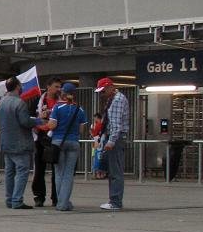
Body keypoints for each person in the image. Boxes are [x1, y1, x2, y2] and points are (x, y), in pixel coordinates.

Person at [0, 76, 41, 209]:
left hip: (6, 142)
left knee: (10, 172)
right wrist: (38, 121)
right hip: (20, 143)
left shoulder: (2, 102)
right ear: (17, 86)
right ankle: (17, 200)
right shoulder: (19, 103)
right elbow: (25, 122)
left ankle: (9, 199)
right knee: (22, 171)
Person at [46, 83, 87, 211]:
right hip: (73, 142)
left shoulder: (57, 107)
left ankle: (62, 203)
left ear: (63, 93)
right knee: (69, 174)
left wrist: (46, 122)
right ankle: (65, 202)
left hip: (58, 142)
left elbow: (52, 125)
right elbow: (81, 129)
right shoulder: (80, 109)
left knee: (59, 173)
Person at [96, 78, 130, 210]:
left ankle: (115, 202)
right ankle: (114, 200)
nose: (102, 94)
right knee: (112, 170)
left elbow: (116, 124)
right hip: (114, 137)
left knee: (115, 171)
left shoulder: (117, 101)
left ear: (110, 87)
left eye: (103, 91)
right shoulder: (113, 99)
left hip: (115, 138)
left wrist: (111, 141)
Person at [32, 77, 61, 206]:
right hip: (41, 136)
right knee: (39, 168)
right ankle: (39, 196)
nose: (58, 89)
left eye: (59, 87)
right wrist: (40, 119)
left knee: (57, 169)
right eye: (56, 86)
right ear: (48, 86)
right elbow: (31, 118)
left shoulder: (61, 102)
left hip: (55, 136)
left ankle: (56, 197)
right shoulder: (38, 101)